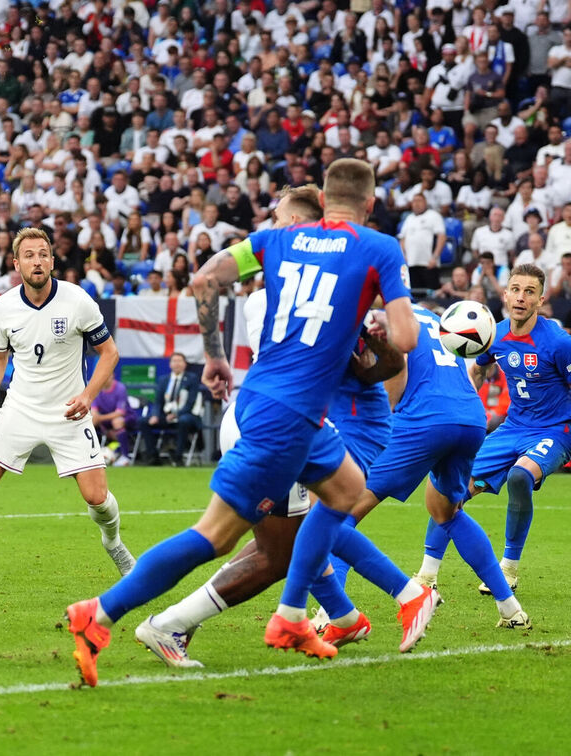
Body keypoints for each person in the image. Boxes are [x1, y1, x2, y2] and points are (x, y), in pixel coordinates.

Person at [64, 159, 425, 687]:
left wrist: (213, 353)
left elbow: (205, 277)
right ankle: (99, 613)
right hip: (286, 417)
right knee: (215, 537)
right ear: (370, 205)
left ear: (322, 200)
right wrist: (383, 318)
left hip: (281, 405)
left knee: (347, 492)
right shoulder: (379, 249)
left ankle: (295, 615)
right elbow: (407, 339)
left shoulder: (273, 241)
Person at [0, 227, 133, 584]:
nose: (36, 261)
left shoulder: (78, 301)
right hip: (20, 408)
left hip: (69, 411)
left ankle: (114, 543)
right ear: (16, 263)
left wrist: (87, 397)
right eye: (29, 255)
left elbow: (109, 354)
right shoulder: (4, 306)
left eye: (43, 254)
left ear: (52, 261)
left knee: (97, 499)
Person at [423, 265, 571, 596]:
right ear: (505, 295)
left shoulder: (558, 341)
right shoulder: (493, 335)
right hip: (512, 429)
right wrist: (467, 409)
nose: (521, 297)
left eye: (529, 292)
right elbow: (478, 371)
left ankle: (509, 567)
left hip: (555, 432)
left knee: (519, 476)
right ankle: (426, 578)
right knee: (450, 491)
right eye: (515, 289)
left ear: (540, 300)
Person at [341, 303, 529, 627]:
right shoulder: (430, 314)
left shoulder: (377, 318)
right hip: (469, 417)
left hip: (422, 418)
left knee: (340, 515)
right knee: (446, 512)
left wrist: (382, 421)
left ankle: (336, 615)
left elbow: (397, 364)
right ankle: (510, 607)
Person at [144, 351, 203, 467]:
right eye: (174, 361)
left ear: (185, 364)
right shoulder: (163, 380)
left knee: (184, 421)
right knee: (143, 422)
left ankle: (178, 457)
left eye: (180, 361)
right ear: (170, 364)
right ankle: (153, 456)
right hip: (166, 415)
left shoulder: (192, 379)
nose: (177, 364)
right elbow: (157, 401)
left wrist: (176, 414)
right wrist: (155, 415)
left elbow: (190, 402)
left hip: (186, 414)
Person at [90, 375, 136, 466]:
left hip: (127, 418)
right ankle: (89, 455)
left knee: (117, 421)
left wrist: (100, 418)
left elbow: (120, 412)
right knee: (90, 422)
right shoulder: (96, 389)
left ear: (112, 376)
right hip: (106, 420)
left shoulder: (120, 388)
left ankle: (125, 456)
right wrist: (96, 418)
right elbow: (94, 411)